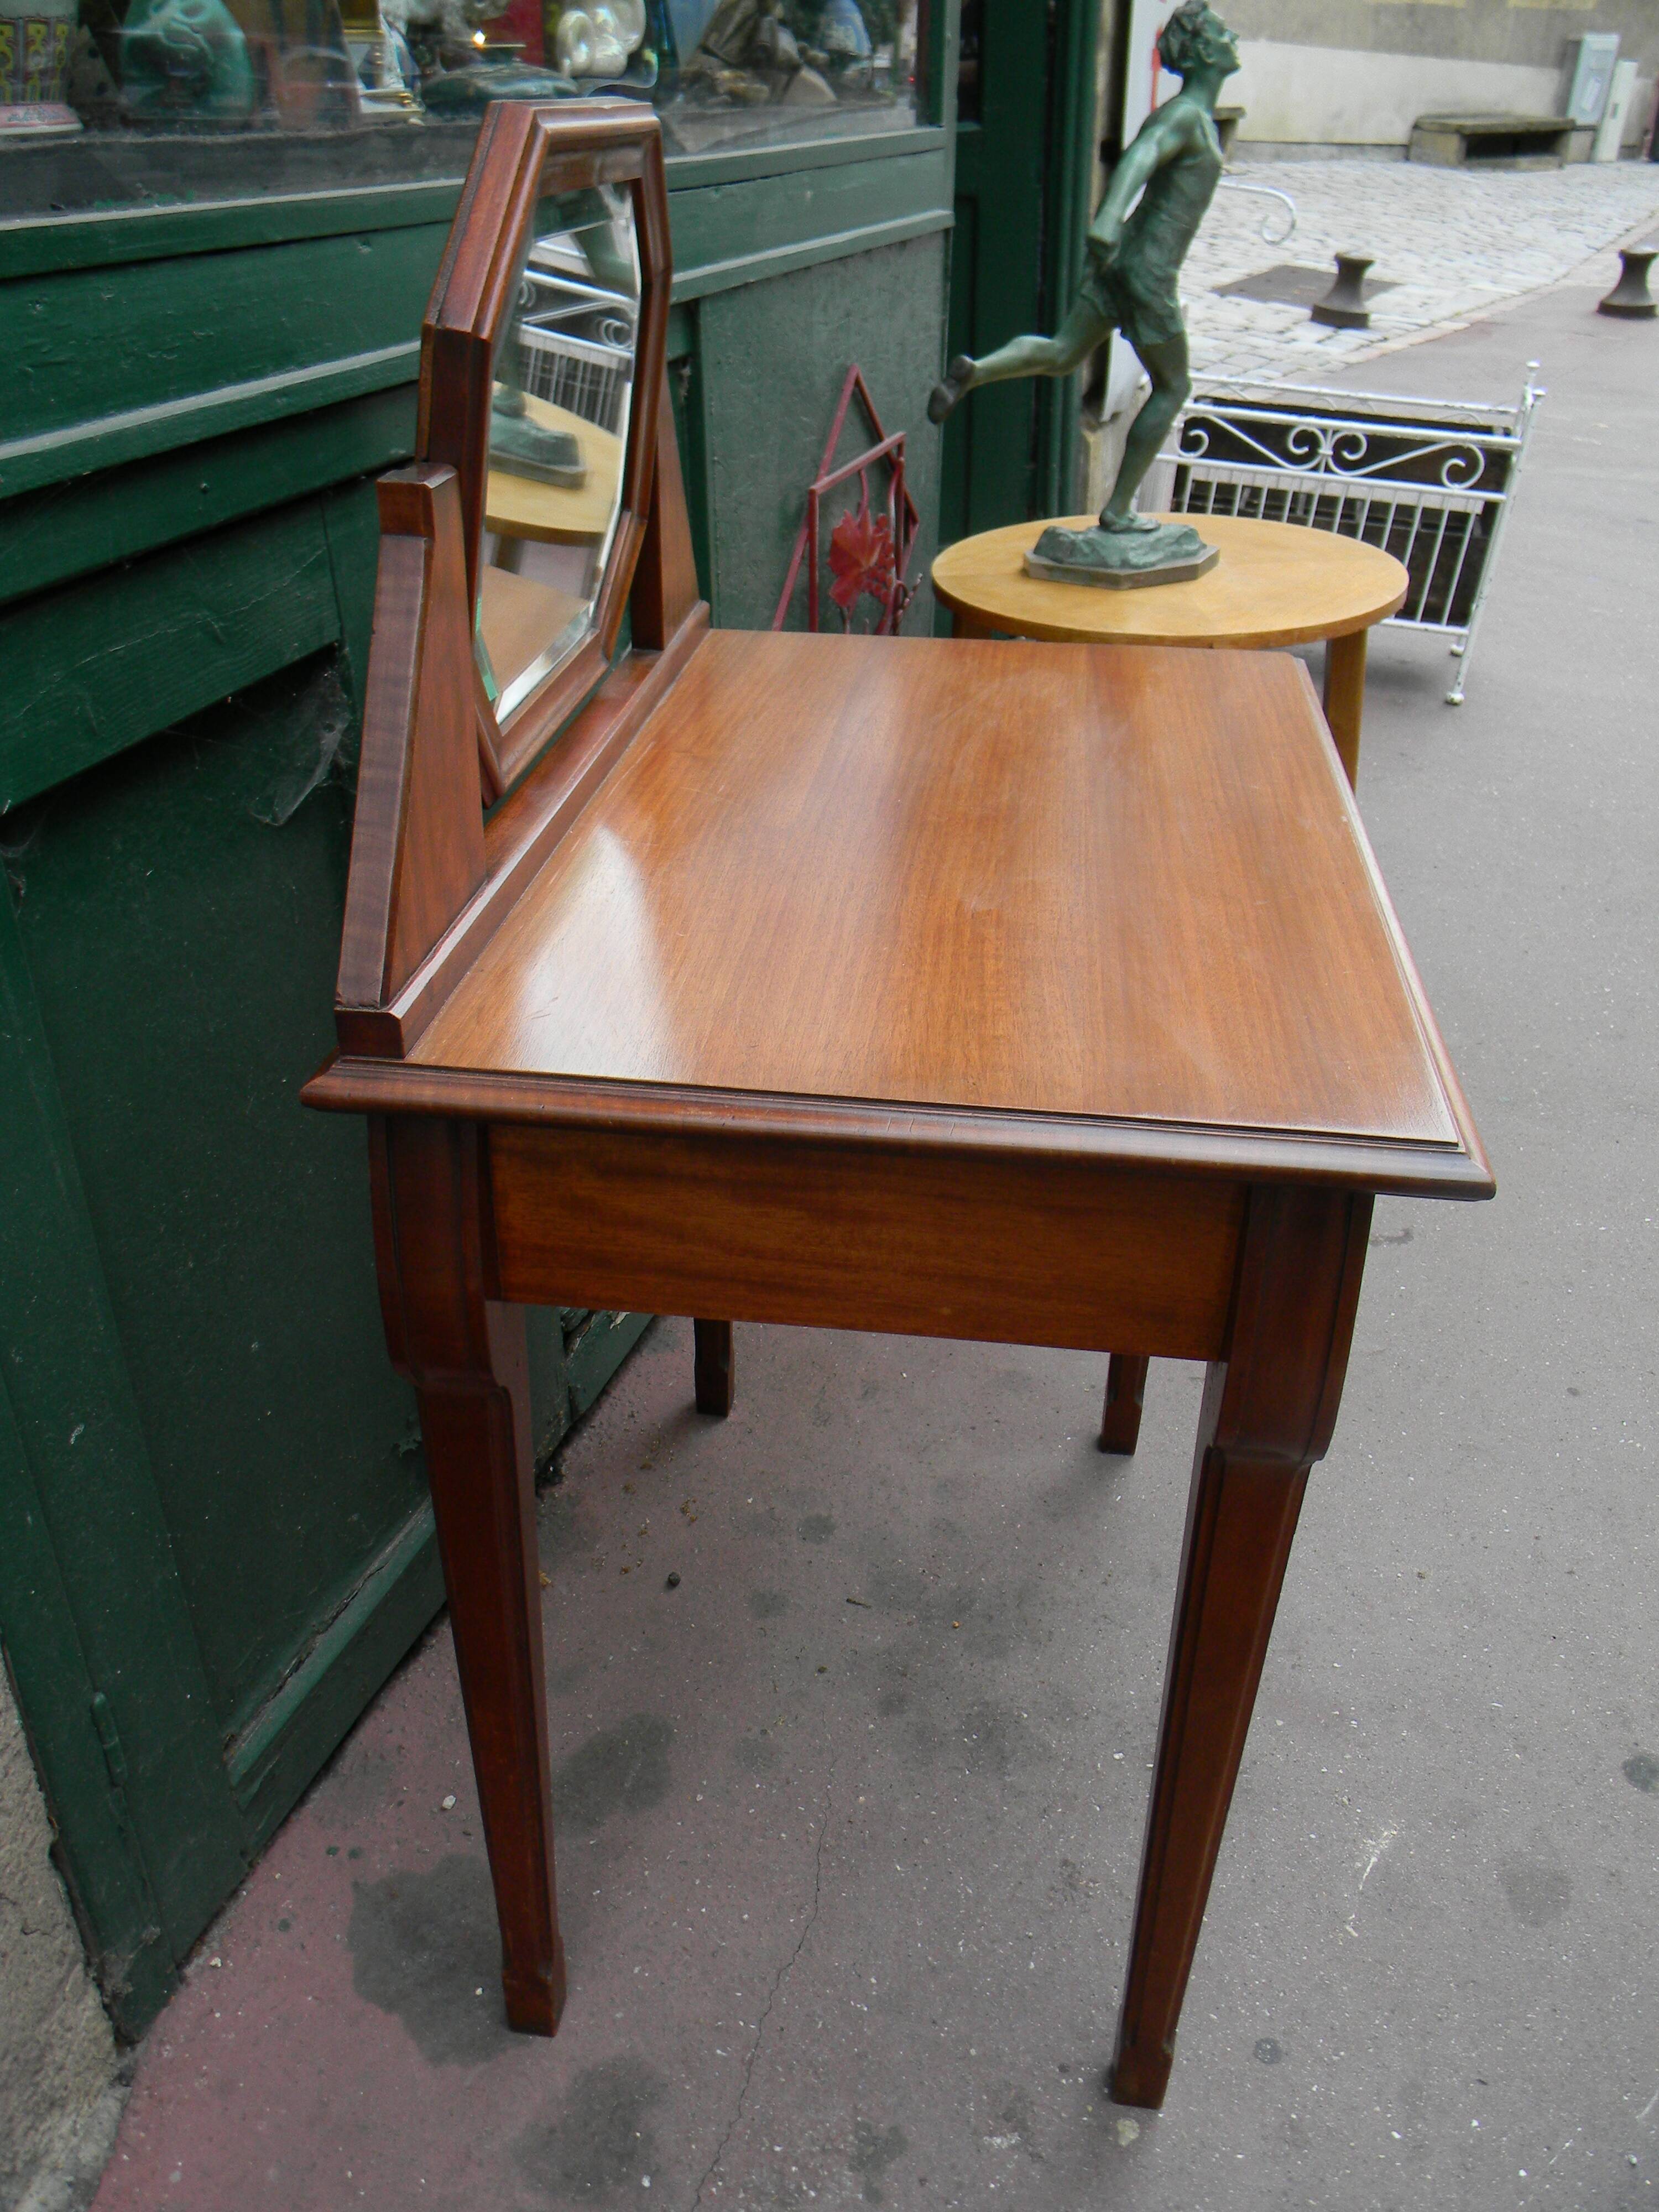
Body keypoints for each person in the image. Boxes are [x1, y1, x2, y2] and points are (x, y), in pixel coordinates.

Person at [928, 0, 1239, 541]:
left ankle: (977, 370)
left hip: (1121, 266)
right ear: (1206, 52)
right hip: (1146, 273)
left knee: (1062, 353)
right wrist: (1107, 218)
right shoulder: (1185, 117)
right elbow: (1141, 157)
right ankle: (1119, 510)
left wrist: (1111, 235)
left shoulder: (1195, 120)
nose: (1232, 36)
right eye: (1221, 31)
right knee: (1173, 386)